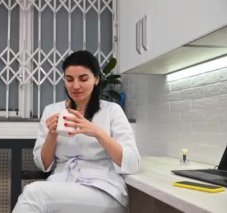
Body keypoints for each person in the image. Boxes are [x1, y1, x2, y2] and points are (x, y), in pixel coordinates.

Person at [12, 50, 140, 213]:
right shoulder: (52, 111)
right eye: (69, 79)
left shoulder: (112, 110)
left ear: (96, 79)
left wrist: (97, 132)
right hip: (61, 185)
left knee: (33, 193)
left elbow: (132, 162)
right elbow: (43, 164)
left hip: (103, 189)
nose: (76, 86)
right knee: (36, 195)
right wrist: (52, 134)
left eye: (83, 79)